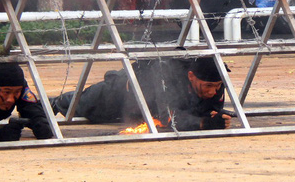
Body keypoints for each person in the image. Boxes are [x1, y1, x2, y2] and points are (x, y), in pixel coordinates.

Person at [50, 56, 231, 131]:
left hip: (146, 107)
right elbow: (169, 118)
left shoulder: (215, 82)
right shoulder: (167, 77)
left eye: (217, 86)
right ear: (191, 76)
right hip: (120, 93)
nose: (213, 91)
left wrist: (217, 118)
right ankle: (50, 103)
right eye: (208, 86)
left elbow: (212, 110)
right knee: (79, 105)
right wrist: (202, 123)